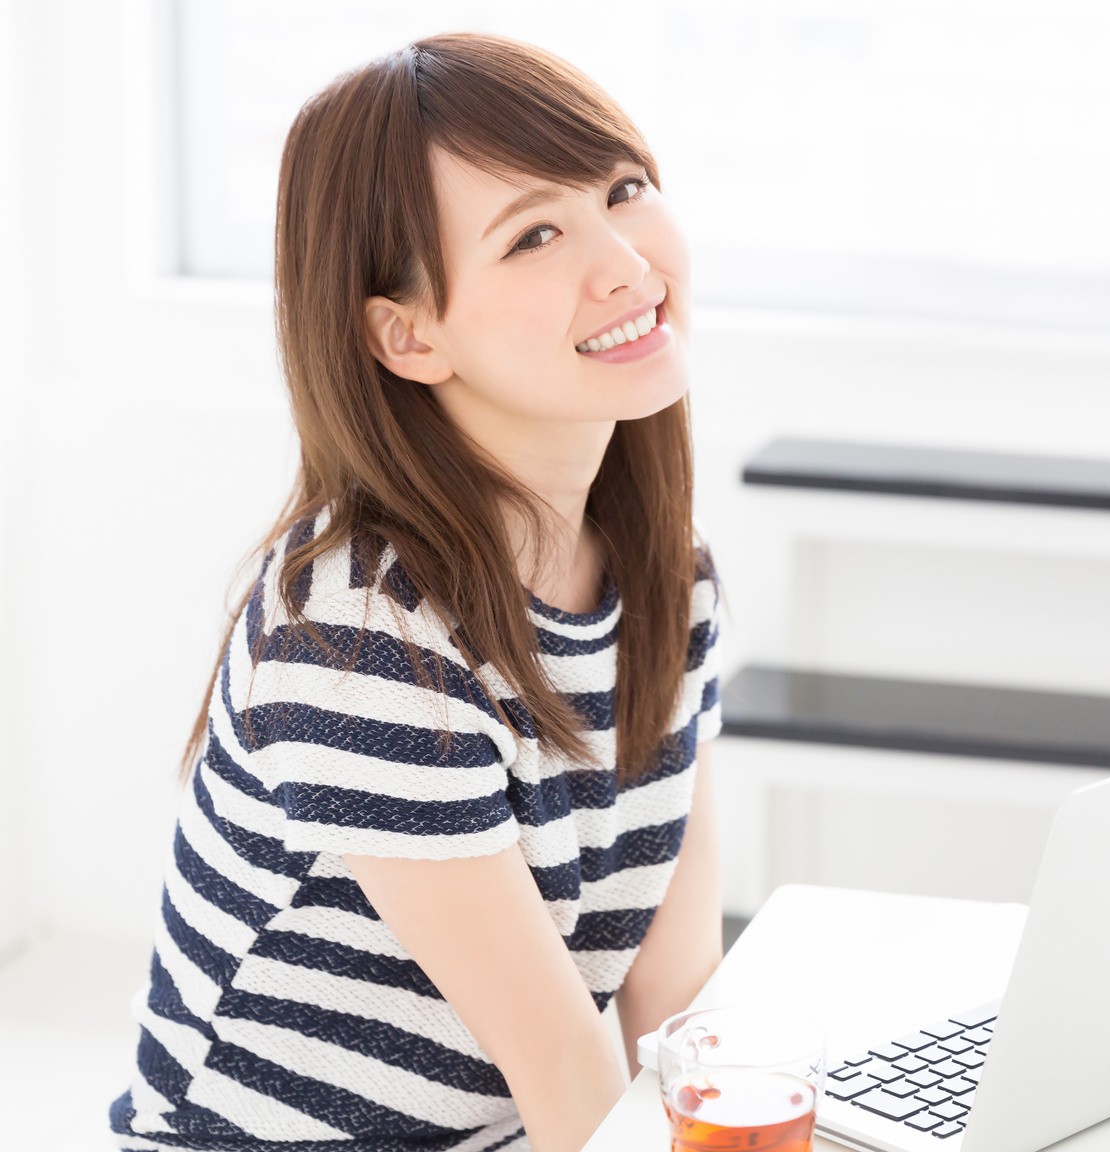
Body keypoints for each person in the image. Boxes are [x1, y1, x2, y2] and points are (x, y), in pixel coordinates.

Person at [109, 33, 722, 1152]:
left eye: (623, 190)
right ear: (407, 332)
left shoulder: (668, 572)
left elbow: (679, 1016)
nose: (626, 263)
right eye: (535, 234)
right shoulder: (358, 636)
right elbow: (565, 1071)